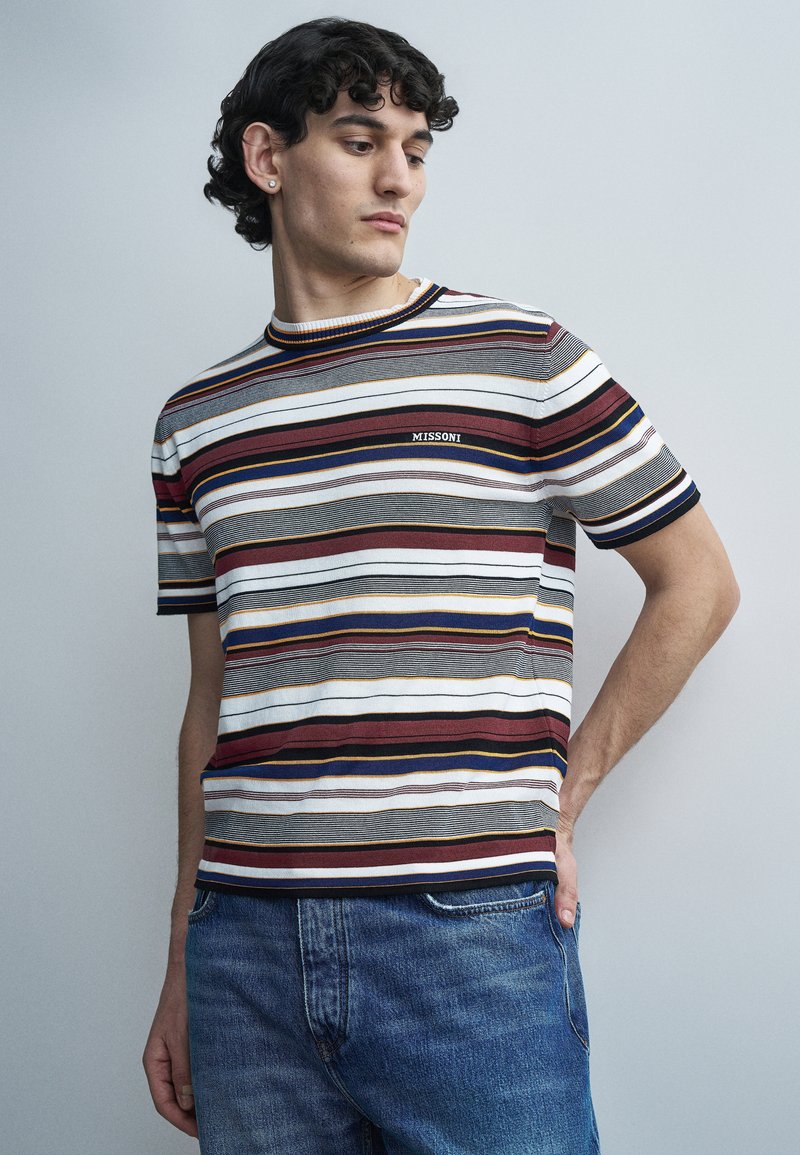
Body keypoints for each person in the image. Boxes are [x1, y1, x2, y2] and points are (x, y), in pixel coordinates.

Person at [142, 16, 739, 1155]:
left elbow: (697, 583)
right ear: (269, 159)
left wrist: (564, 795)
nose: (397, 178)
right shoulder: (194, 424)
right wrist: (182, 951)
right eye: (360, 140)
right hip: (244, 953)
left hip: (465, 935)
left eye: (414, 148)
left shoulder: (522, 357)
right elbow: (210, 700)